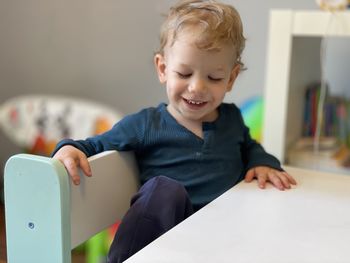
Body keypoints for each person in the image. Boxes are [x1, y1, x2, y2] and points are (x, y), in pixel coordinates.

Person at [52, 0, 297, 262]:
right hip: (166, 243)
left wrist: (263, 163)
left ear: (231, 78)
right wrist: (69, 147)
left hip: (226, 238)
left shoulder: (232, 119)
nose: (197, 87)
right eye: (184, 73)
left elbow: (250, 147)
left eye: (214, 78)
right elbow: (94, 145)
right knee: (164, 189)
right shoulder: (146, 124)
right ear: (163, 69)